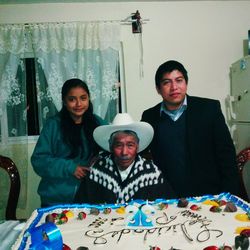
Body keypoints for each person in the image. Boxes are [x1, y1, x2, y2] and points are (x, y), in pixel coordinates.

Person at [141, 60, 240, 198]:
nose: (174, 87)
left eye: (179, 80)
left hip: (208, 195)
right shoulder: (149, 116)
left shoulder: (209, 109)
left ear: (186, 83)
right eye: (166, 82)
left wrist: (230, 195)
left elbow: (226, 155)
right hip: (167, 196)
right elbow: (139, 155)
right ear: (158, 89)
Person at [31, 78, 107, 207]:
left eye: (83, 98)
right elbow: (39, 160)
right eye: (72, 99)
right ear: (64, 102)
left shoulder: (98, 123)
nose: (78, 104)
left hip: (91, 197)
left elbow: (112, 149)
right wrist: (70, 168)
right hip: (57, 199)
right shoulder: (53, 125)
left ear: (89, 99)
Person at [75, 113, 176, 204]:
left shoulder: (151, 172)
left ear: (137, 147)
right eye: (118, 145)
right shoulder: (97, 170)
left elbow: (167, 206)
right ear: (110, 147)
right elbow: (82, 207)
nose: (124, 152)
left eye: (130, 145)